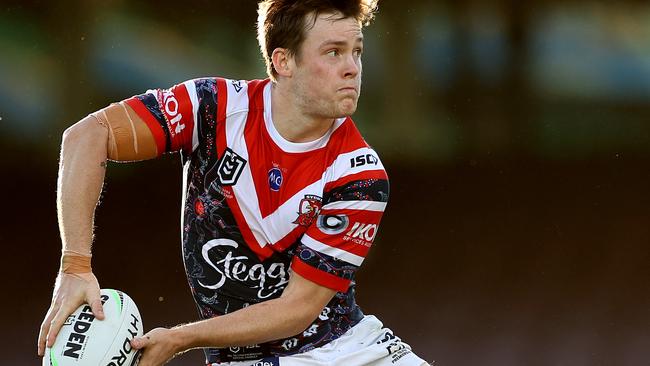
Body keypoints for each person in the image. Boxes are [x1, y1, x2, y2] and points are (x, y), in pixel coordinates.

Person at [37, 1, 429, 365]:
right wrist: (74, 266)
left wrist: (180, 338)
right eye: (333, 52)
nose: (353, 67)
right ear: (283, 61)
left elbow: (297, 309)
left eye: (356, 51)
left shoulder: (359, 174)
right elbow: (86, 137)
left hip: (348, 352)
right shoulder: (211, 107)